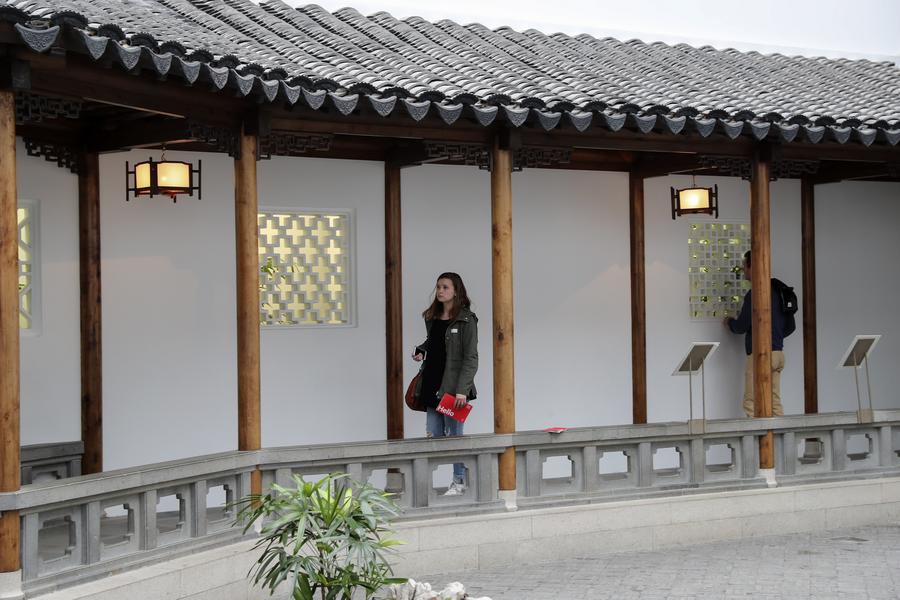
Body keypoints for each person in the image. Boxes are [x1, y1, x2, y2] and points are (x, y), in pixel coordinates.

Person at [413, 272, 478, 496]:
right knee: (433, 435)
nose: (440, 291)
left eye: (445, 287)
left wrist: (462, 391)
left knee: (455, 437)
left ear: (456, 291)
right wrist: (422, 349)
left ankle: (459, 482)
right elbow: (435, 342)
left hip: (453, 389)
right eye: (438, 286)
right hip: (431, 382)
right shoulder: (431, 317)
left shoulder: (467, 319)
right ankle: (433, 484)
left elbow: (471, 357)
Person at [722, 251, 787, 418]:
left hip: (761, 355)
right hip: (778, 354)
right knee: (774, 401)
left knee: (751, 401)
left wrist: (729, 323)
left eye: (745, 266)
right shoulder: (778, 291)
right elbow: (789, 325)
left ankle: (760, 442)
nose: (744, 271)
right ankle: (780, 442)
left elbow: (742, 325)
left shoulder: (755, 294)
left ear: (753, 266)